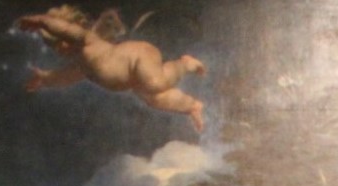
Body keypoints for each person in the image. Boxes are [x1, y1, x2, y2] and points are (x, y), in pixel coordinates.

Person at [17, 7, 208, 132]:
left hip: (137, 57)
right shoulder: (81, 65)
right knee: (155, 99)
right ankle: (192, 106)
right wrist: (45, 79)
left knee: (155, 83)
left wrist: (41, 21)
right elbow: (66, 77)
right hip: (134, 79)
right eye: (55, 47)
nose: (60, 49)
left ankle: (184, 64)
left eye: (60, 42)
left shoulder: (88, 42)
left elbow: (66, 29)